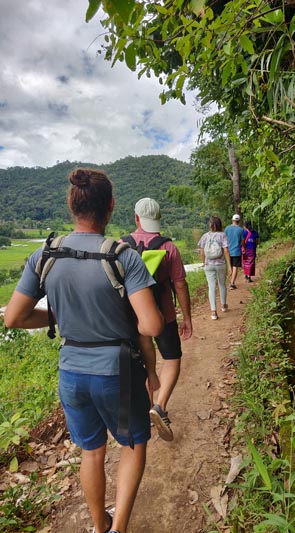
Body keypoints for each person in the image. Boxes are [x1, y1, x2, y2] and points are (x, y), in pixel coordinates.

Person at [4, 168, 164, 533]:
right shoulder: (123, 257)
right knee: (133, 445)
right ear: (110, 207)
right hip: (117, 371)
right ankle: (119, 528)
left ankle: (98, 524)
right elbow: (151, 326)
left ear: (72, 205)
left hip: (71, 371)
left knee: (91, 453)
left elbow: (13, 317)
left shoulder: (45, 255)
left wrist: (60, 317)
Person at [128, 197, 193, 442]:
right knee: (172, 359)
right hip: (163, 315)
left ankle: (145, 408)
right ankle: (160, 406)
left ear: (136, 218)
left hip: (134, 317)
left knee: (145, 362)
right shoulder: (168, 247)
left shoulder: (121, 246)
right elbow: (181, 284)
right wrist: (186, 317)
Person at [198, 216, 232, 320]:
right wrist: (229, 266)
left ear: (210, 225)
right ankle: (224, 305)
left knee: (211, 287)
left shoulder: (205, 236)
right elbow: (226, 251)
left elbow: (202, 251)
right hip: (220, 264)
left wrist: (204, 263)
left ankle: (213, 311)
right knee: (222, 284)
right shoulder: (222, 235)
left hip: (209, 264)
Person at [224, 213, 245, 290]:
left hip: (228, 251)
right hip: (236, 251)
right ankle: (232, 283)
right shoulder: (241, 230)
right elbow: (243, 242)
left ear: (232, 220)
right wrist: (244, 248)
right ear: (239, 221)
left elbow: (224, 240)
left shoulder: (227, 229)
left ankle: (230, 281)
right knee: (235, 267)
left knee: (230, 266)